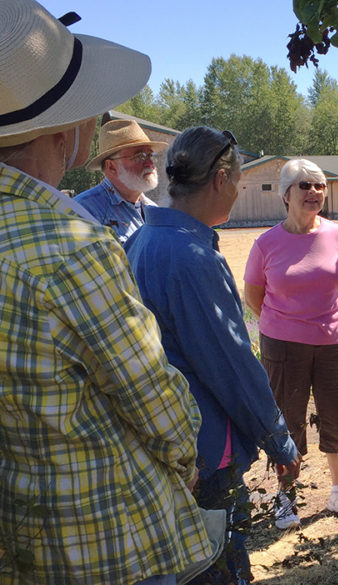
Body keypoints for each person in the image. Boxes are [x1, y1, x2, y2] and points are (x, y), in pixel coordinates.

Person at [0, 2, 225, 584]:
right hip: (104, 539)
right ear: (65, 128)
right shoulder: (70, 244)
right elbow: (154, 399)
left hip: (23, 531)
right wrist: (186, 455)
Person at [124, 126, 300, 585]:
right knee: (218, 563)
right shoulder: (193, 257)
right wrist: (278, 439)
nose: (239, 193)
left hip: (159, 440)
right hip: (204, 447)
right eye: (239, 183)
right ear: (220, 179)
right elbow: (231, 364)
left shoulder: (141, 240)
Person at [244, 158, 338, 530]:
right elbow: (254, 296)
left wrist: (328, 321)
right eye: (305, 186)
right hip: (283, 347)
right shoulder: (266, 244)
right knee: (286, 419)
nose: (314, 192)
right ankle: (286, 496)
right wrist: (291, 323)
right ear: (285, 194)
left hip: (335, 343)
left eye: (320, 185)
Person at [75, 119, 167, 243]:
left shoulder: (153, 210)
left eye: (150, 155)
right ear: (111, 166)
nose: (150, 163)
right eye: (140, 156)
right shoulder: (84, 210)